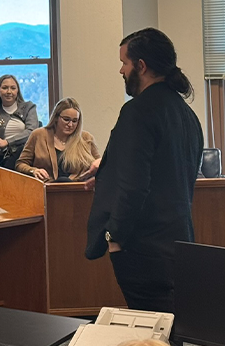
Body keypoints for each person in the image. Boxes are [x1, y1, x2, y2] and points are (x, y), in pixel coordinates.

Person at [86, 28, 203, 313]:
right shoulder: (186, 114)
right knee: (169, 329)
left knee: (151, 332)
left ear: (141, 66)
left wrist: (115, 237)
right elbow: (169, 170)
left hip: (142, 248)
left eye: (124, 63)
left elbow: (135, 186)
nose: (121, 70)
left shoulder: (137, 111)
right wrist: (108, 168)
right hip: (178, 243)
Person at [16, 97, 101, 183]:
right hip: (47, 188)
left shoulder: (86, 138)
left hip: (77, 188)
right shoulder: (38, 135)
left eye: (75, 121)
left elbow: (100, 165)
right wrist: (33, 170)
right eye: (66, 120)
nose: (70, 124)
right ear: (56, 117)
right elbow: (20, 164)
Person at [0, 74, 39, 168]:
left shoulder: (28, 108)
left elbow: (32, 132)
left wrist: (7, 142)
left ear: (17, 91)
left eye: (13, 88)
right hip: (2, 157)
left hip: (26, 154)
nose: (9, 92)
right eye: (5, 88)